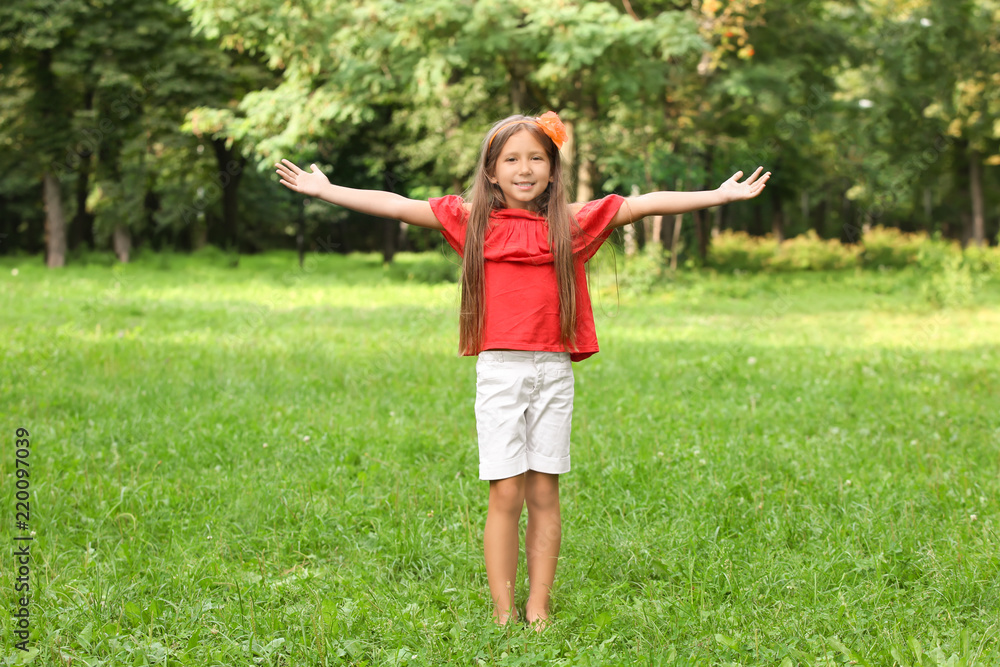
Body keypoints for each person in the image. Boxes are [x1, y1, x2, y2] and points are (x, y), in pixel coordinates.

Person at [274, 111, 770, 630]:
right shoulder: (472, 221)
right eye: (512, 158)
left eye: (537, 157)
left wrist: (720, 196)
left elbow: (642, 206)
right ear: (491, 170)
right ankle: (503, 611)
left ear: (553, 169)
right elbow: (399, 206)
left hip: (553, 372)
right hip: (499, 372)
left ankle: (538, 607)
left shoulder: (571, 223)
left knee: (544, 491)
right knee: (506, 490)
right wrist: (327, 190)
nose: (525, 168)